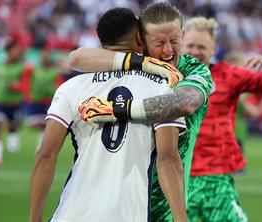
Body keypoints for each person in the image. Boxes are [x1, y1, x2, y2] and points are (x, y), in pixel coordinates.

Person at [29, 8, 187, 222]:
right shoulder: (163, 88)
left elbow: (45, 155)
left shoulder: (72, 87)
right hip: (128, 215)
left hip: (69, 214)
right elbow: (168, 158)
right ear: (139, 36)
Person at [69, 2, 214, 221]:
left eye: (174, 41)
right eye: (159, 42)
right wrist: (144, 64)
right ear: (142, 40)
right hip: (119, 206)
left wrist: (120, 109)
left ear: (182, 35)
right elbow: (76, 58)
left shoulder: (194, 69)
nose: (168, 50)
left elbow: (185, 102)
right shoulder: (133, 64)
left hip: (165, 209)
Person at [181, 16, 262, 221]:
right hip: (178, 178)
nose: (195, 51)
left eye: (202, 46)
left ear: (213, 48)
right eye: (190, 45)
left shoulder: (229, 76)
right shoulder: (168, 76)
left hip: (216, 177)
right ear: (181, 44)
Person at [0, 40, 32, 167]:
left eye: (18, 51)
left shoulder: (23, 68)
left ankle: (13, 136)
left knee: (13, 129)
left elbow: (26, 85)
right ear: (8, 52)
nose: (17, 53)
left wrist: (15, 87)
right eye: (15, 50)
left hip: (15, 105)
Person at [22, 48, 64, 150]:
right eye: (43, 56)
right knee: (34, 124)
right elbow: (26, 82)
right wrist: (28, 96)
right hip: (35, 102)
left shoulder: (54, 72)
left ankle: (40, 148)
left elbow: (60, 85)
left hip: (48, 103)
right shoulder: (33, 69)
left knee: (45, 127)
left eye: (47, 56)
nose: (45, 58)